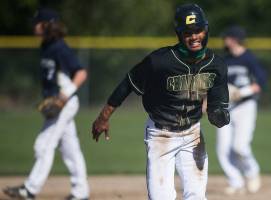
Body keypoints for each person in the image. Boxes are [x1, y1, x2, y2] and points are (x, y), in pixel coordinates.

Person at [92, 4, 230, 200]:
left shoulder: (216, 65)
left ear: (206, 30)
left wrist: (219, 115)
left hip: (193, 135)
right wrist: (103, 117)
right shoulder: (160, 61)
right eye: (187, 32)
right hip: (161, 135)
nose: (194, 37)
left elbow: (219, 105)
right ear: (179, 34)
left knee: (197, 197)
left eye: (198, 30)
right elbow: (128, 84)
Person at [3, 8, 89, 200]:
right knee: (70, 149)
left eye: (37, 22)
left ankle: (30, 189)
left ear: (47, 25)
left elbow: (81, 73)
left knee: (43, 145)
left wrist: (63, 96)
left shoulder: (60, 47)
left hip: (65, 102)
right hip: (58, 102)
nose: (34, 25)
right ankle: (81, 192)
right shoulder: (46, 46)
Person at [216, 25, 266, 195]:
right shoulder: (225, 60)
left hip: (245, 106)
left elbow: (260, 83)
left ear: (235, 39)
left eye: (228, 37)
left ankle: (252, 172)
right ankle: (236, 181)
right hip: (226, 107)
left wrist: (241, 92)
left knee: (240, 147)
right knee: (223, 149)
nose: (225, 40)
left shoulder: (249, 58)